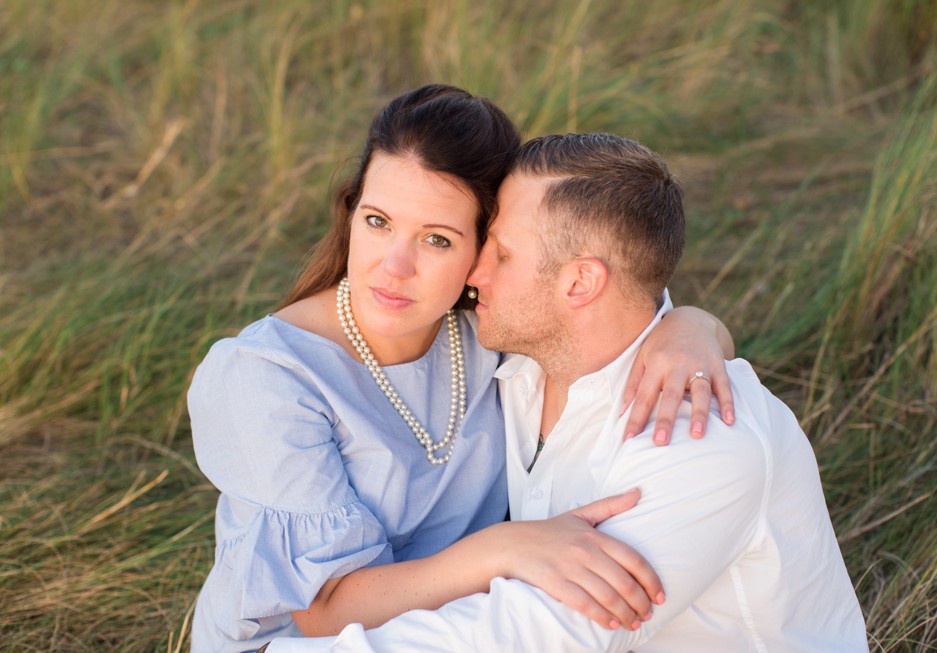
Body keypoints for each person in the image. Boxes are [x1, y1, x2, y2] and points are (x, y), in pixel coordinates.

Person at [264, 133, 868, 652]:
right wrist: (696, 323)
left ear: (580, 281)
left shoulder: (700, 439)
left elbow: (534, 635)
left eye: (500, 254)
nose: (474, 276)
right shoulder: (520, 364)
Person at [189, 86, 737, 653]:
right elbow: (325, 612)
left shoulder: (490, 332)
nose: (394, 267)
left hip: (457, 631)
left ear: (485, 247)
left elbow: (620, 309)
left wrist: (691, 327)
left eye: (436, 239)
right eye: (377, 221)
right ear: (351, 212)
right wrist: (504, 548)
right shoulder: (266, 377)